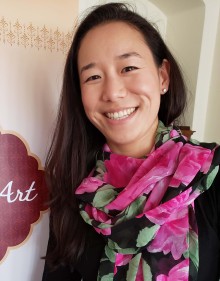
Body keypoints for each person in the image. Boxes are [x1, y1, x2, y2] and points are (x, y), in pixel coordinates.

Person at [42, 3, 220, 281]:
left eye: (128, 67)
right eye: (93, 76)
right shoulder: (74, 190)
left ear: (162, 76)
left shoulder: (211, 176)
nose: (112, 92)